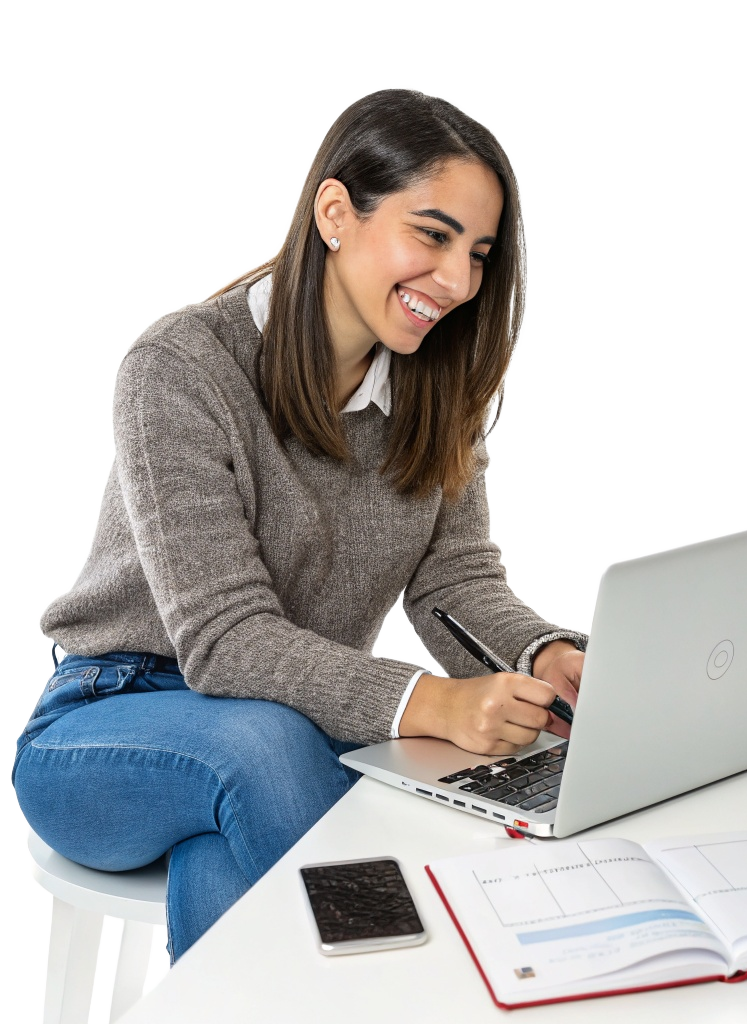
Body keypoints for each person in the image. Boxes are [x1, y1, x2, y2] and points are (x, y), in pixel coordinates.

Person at [12, 89, 587, 962]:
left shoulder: (435, 390)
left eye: (478, 253)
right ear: (334, 213)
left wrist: (545, 660)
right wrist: (431, 704)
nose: (460, 282)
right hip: (108, 723)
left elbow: (455, 585)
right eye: (431, 235)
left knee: (224, 867)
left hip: (287, 734)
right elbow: (226, 641)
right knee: (266, 744)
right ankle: (414, 994)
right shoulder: (181, 366)